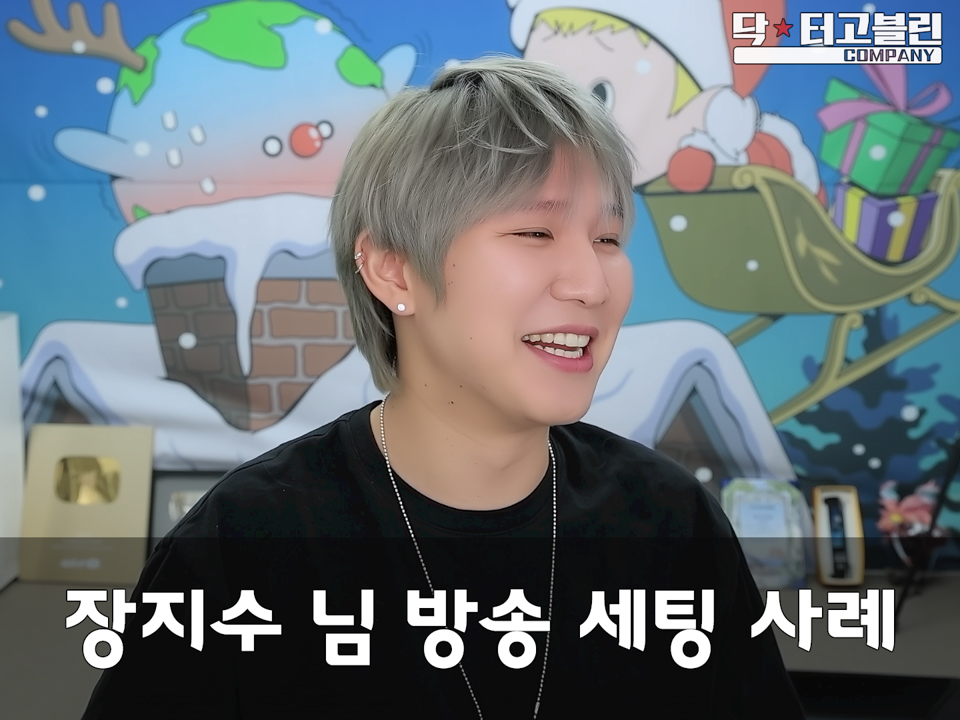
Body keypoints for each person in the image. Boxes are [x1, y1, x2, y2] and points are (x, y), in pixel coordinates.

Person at [81, 56, 806, 719]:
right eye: (535, 234)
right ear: (393, 269)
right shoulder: (242, 547)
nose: (591, 283)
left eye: (608, 240)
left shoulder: (671, 527)